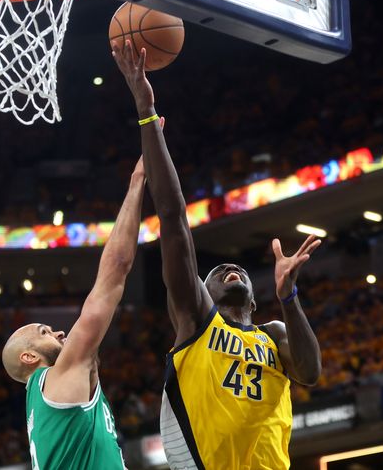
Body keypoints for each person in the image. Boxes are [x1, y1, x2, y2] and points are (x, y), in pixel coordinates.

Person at [113, 40, 322, 470]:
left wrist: (290, 298)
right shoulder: (196, 321)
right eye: (218, 270)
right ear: (199, 290)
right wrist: (147, 114)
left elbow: (310, 372)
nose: (230, 268)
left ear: (254, 299)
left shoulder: (275, 334)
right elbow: (173, 219)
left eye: (239, 269)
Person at [1, 158, 147, 470]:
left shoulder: (48, 402)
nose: (59, 333)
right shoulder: (58, 378)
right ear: (29, 357)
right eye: (45, 332)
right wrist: (137, 181)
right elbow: (116, 269)